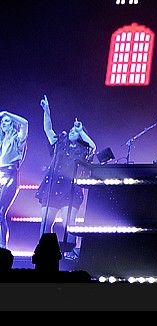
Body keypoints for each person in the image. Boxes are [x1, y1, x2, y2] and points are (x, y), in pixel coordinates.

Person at [35, 95, 96, 260]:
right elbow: (48, 129)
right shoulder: (59, 145)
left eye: (76, 131)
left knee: (68, 223)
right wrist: (46, 110)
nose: (72, 131)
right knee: (45, 223)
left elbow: (93, 146)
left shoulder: (83, 150)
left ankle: (71, 253)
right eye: (72, 129)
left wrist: (81, 130)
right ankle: (46, 253)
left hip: (71, 189)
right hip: (52, 187)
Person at [0, 110, 28, 250]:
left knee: (0, 212)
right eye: (2, 121)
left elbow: (25, 123)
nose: (3, 123)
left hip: (10, 175)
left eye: (7, 121)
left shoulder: (18, 139)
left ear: (12, 124)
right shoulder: (2, 141)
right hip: (0, 174)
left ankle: (3, 246)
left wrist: (7, 113)